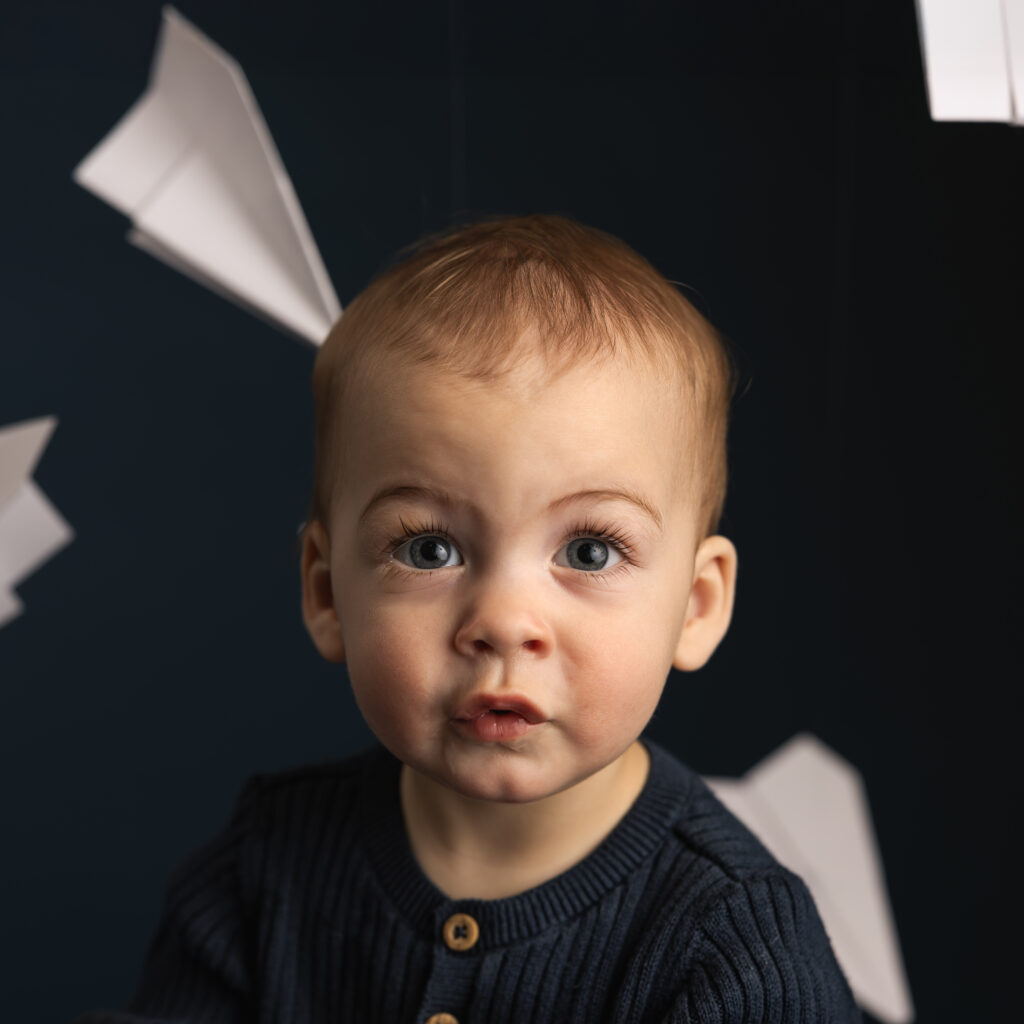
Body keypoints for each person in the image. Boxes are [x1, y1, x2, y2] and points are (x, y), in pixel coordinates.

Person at [75, 215, 860, 1023]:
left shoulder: (734, 943)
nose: (503, 622)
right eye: (429, 550)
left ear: (695, 608)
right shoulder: (264, 869)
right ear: (326, 594)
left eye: (589, 552)